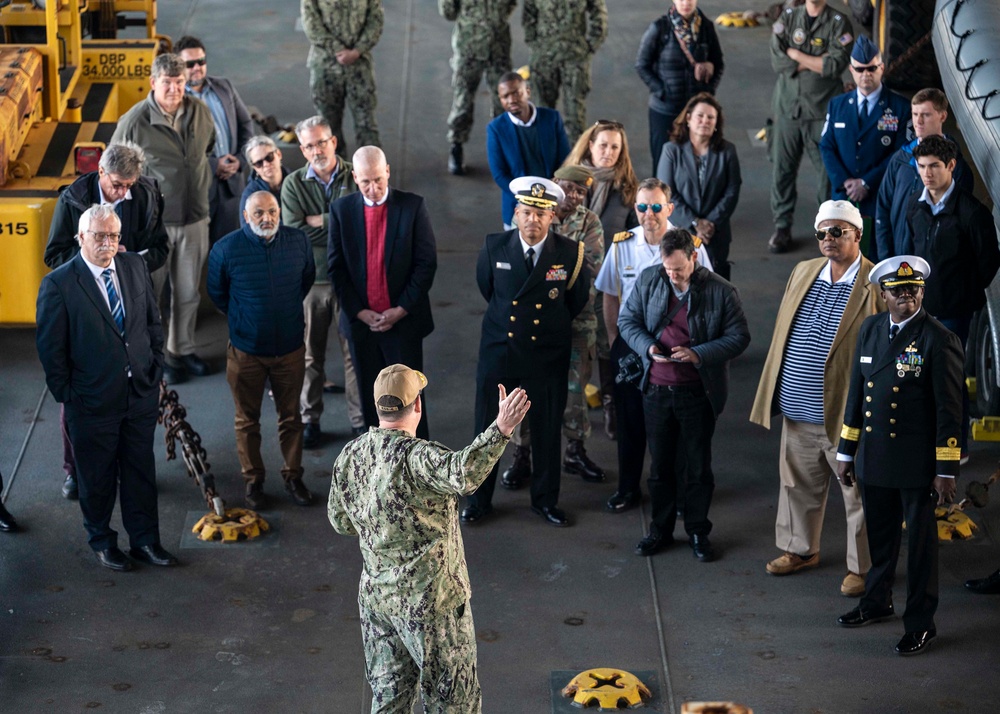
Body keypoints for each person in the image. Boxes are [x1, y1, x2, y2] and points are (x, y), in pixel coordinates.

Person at [328, 364, 530, 713]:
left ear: (378, 407)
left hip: (378, 600)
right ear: (417, 405)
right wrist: (502, 427)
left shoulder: (351, 455)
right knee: (453, 702)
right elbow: (464, 473)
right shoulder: (418, 458)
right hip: (431, 605)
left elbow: (340, 521)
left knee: (389, 699)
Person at [750, 200, 884, 597]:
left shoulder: (876, 282)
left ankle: (864, 566)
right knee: (796, 484)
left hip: (846, 415)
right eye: (822, 232)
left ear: (858, 235)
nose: (828, 239)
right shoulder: (804, 270)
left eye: (838, 232)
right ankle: (799, 549)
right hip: (798, 410)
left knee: (857, 494)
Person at [36, 205, 178, 572]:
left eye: (113, 235)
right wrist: (71, 395)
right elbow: (51, 351)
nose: (108, 243)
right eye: (99, 236)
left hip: (139, 394)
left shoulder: (133, 266)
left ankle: (146, 540)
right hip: (91, 402)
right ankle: (102, 540)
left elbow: (152, 321)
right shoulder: (59, 284)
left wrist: (154, 367)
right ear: (81, 237)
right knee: (96, 478)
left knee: (140, 472)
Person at [836, 255, 963, 656]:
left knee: (921, 549)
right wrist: (846, 450)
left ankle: (921, 623)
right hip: (875, 458)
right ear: (883, 294)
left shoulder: (938, 339)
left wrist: (946, 469)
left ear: (922, 292)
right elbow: (857, 396)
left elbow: (950, 412)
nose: (905, 296)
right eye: (897, 290)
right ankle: (876, 602)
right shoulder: (871, 329)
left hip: (917, 465)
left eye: (913, 289)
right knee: (881, 538)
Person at [43, 141, 169, 501]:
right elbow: (54, 255)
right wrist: (97, 257)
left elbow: (160, 246)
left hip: (129, 304)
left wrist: (130, 264)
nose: (123, 192)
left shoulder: (145, 194)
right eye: (117, 185)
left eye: (129, 185)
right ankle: (76, 471)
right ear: (100, 172)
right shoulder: (72, 199)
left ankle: (127, 469)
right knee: (81, 405)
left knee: (127, 401)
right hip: (87, 308)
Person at [463, 177, 590, 527]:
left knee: (547, 427)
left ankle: (545, 501)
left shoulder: (570, 253)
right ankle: (478, 499)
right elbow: (489, 291)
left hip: (546, 354)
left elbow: (574, 301)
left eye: (541, 213)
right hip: (500, 350)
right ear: (516, 214)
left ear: (553, 218)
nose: (533, 219)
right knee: (487, 426)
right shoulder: (494, 247)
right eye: (526, 212)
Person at [618, 228, 750, 561]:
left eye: (679, 268)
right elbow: (627, 320)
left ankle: (697, 531)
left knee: (697, 467)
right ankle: (659, 531)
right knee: (660, 466)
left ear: (694, 256)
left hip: (697, 393)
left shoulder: (721, 291)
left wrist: (699, 354)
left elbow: (739, 337)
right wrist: (647, 347)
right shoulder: (650, 279)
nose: (673, 275)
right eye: (668, 269)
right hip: (656, 390)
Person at [111, 52, 216, 385]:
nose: (174, 89)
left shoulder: (199, 111)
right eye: (167, 83)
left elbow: (207, 148)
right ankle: (155, 357)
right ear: (153, 82)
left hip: (195, 216)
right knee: (150, 295)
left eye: (180, 82)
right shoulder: (134, 121)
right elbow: (113, 173)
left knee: (187, 292)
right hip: (153, 226)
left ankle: (181, 351)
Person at [207, 192, 316, 509]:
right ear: (245, 215)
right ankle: (253, 481)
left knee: (292, 417)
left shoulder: (298, 242)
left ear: (279, 212)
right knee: (246, 420)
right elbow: (218, 294)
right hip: (246, 351)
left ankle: (293, 476)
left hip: (290, 348)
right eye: (258, 213)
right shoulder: (226, 249)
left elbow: (304, 281)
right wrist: (247, 320)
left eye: (272, 211)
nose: (266, 218)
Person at [504, 165, 606, 489]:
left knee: (576, 391)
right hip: (534, 324)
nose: (575, 196)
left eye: (581, 192)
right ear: (556, 185)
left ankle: (575, 449)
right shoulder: (532, 214)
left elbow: (590, 271)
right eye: (570, 188)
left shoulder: (589, 221)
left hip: (577, 322)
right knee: (526, 389)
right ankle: (522, 453)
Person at [328, 146, 438, 437]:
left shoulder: (412, 206)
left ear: (388, 171)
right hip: (362, 326)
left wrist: (399, 310)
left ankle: (418, 465)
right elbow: (336, 269)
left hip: (403, 324)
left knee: (411, 401)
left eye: (378, 179)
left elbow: (425, 264)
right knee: (370, 402)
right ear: (354, 178)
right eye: (365, 182)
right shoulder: (341, 211)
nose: (373, 188)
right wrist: (361, 313)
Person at [906, 136, 999, 456]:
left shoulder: (972, 214)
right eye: (921, 166)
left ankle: (954, 448)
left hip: (954, 314)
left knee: (948, 382)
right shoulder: (915, 208)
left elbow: (988, 262)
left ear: (951, 167)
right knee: (918, 375)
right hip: (920, 312)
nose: (927, 173)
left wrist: (964, 294)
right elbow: (911, 254)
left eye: (934, 166)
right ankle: (926, 441)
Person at [281, 116, 365, 446]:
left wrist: (323, 220)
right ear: (302, 150)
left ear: (334, 141)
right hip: (312, 283)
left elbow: (361, 221)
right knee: (310, 356)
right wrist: (340, 223)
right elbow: (295, 231)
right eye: (310, 145)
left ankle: (360, 422)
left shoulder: (354, 174)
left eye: (322, 141)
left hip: (350, 282)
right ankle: (309, 419)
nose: (318, 149)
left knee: (353, 355)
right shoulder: (293, 184)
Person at [595, 178, 678, 513]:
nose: (649, 214)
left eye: (656, 206)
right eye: (642, 207)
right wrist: (616, 340)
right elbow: (610, 294)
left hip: (672, 348)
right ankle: (628, 488)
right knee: (630, 422)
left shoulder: (688, 245)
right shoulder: (622, 245)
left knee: (671, 426)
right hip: (630, 347)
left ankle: (672, 493)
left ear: (669, 208)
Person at [563, 120, 640, 437]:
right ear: (589, 145)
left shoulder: (627, 191)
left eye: (615, 147)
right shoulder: (566, 183)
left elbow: (635, 238)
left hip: (609, 284)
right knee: (575, 352)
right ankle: (571, 413)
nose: (608, 152)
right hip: (570, 285)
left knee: (609, 346)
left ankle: (611, 404)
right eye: (603, 145)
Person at [767, 0, 853, 254]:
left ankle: (827, 227)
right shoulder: (789, 17)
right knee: (782, 168)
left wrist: (795, 54)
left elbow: (835, 65)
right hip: (788, 108)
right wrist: (814, 61)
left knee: (828, 173)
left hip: (822, 112)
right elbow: (777, 61)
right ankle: (782, 226)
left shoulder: (840, 23)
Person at [818, 35, 910, 256]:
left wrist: (866, 182)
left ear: (882, 68)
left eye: (871, 68)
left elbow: (901, 152)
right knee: (842, 255)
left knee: (878, 255)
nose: (866, 74)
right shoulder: (837, 105)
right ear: (851, 70)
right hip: (844, 197)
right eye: (860, 69)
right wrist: (846, 182)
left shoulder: (900, 107)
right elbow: (826, 146)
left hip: (880, 197)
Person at [874, 88, 973, 261]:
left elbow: (960, 224)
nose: (918, 121)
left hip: (935, 268)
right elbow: (883, 208)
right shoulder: (901, 159)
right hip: (898, 260)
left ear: (942, 116)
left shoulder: (956, 168)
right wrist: (885, 258)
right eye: (915, 114)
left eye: (925, 115)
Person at [175, 35, 254, 245]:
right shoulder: (175, 100)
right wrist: (213, 165)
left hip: (231, 185)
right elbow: (176, 149)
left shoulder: (224, 87)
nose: (197, 68)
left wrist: (240, 160)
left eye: (201, 61)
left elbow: (246, 125)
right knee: (198, 257)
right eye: (190, 64)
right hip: (198, 191)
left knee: (230, 249)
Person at [656, 92, 741, 280]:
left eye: (711, 117)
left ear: (716, 123)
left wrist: (710, 223)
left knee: (714, 286)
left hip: (715, 234)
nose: (705, 121)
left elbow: (732, 189)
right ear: (688, 119)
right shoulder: (671, 150)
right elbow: (666, 192)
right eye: (700, 116)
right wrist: (695, 223)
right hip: (679, 231)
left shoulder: (728, 151)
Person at [636, 0, 724, 171]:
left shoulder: (706, 28)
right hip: (665, 110)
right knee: (663, 164)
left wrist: (708, 93)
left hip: (695, 111)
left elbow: (718, 63)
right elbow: (642, 65)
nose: (685, 3)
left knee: (695, 164)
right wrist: (661, 91)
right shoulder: (660, 28)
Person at [439, 0, 516, 176]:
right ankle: (456, 145)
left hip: (498, 49)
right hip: (469, 47)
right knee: (463, 100)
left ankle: (503, 151)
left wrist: (497, 18)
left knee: (503, 101)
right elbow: (448, 12)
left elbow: (511, 4)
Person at [486, 72, 571, 229]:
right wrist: (528, 200)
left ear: (528, 91)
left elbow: (565, 161)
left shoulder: (552, 118)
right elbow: (499, 174)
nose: (511, 100)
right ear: (500, 100)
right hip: (517, 210)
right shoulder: (496, 129)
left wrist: (550, 195)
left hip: (553, 206)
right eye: (505, 96)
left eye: (516, 93)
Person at [301, 0, 384, 152]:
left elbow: (376, 19)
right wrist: (338, 50)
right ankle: (337, 173)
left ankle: (372, 171)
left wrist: (357, 51)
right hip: (326, 67)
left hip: (359, 67)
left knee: (367, 126)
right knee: (328, 128)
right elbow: (311, 23)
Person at [522, 0, 608, 142]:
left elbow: (599, 13)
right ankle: (546, 157)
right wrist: (535, 44)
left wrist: (591, 45)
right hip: (544, 58)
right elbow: (528, 14)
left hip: (574, 58)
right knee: (542, 111)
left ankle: (575, 158)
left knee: (575, 115)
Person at [239, 135, 288, 226]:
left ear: (278, 154)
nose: (266, 164)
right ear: (254, 167)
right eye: (259, 163)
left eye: (269, 157)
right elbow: (247, 229)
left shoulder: (296, 181)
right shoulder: (250, 194)